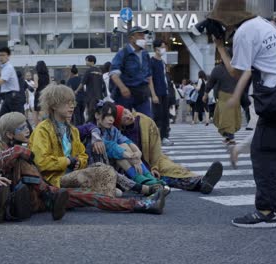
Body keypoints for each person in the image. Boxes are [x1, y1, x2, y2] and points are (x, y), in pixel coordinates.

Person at [211, 0, 276, 228]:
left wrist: (220, 47)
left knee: (264, 153)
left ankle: (265, 212)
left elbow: (237, 72)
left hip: (274, 98)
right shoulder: (264, 24)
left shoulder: (244, 32)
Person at [29, 84, 166, 213]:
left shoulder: (71, 130)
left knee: (106, 174)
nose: (71, 106)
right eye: (67, 103)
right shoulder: (43, 129)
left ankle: (142, 190)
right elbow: (41, 162)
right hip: (54, 179)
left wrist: (78, 161)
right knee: (105, 175)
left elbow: (82, 156)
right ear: (53, 106)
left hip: (73, 174)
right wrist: (68, 161)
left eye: (73, 102)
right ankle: (141, 199)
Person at [114, 104, 224, 193]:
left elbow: (155, 147)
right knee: (165, 179)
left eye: (126, 112)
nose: (128, 116)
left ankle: (201, 182)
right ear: (120, 124)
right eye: (124, 119)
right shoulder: (117, 133)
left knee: (173, 170)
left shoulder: (144, 121)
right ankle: (199, 184)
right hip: (134, 166)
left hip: (153, 160)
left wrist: (155, 167)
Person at [110, 26, 156, 118]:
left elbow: (149, 75)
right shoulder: (123, 53)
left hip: (142, 93)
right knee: (124, 120)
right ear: (131, 38)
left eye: (143, 35)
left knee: (147, 119)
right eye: (140, 35)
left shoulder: (145, 54)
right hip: (126, 93)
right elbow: (114, 74)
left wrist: (153, 94)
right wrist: (122, 88)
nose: (143, 38)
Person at [203, 51, 241, 145]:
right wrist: (205, 94)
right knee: (223, 118)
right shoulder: (235, 68)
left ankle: (231, 138)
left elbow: (210, 83)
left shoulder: (220, 69)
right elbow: (211, 82)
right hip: (229, 97)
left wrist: (205, 94)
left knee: (227, 119)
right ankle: (228, 137)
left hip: (227, 97)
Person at [150, 39, 173, 146]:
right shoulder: (152, 62)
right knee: (157, 116)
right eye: (162, 47)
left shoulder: (162, 62)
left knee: (165, 116)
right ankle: (156, 138)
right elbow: (149, 79)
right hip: (157, 93)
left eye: (165, 47)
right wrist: (153, 94)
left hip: (165, 92)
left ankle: (164, 137)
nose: (164, 49)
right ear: (156, 48)